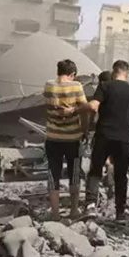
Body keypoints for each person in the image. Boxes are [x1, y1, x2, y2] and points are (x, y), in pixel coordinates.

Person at [84, 60, 129, 221]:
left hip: (104, 135)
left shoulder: (105, 86)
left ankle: (90, 206)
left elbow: (93, 106)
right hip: (124, 138)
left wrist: (79, 110)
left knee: (95, 170)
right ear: (127, 73)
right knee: (121, 175)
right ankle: (120, 212)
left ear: (114, 71)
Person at [43, 59, 88, 220]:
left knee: (53, 174)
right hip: (72, 139)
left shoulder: (49, 85)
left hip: (52, 138)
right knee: (74, 173)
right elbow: (85, 108)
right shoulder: (76, 86)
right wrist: (84, 130)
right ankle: (74, 210)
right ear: (72, 74)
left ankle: (55, 213)